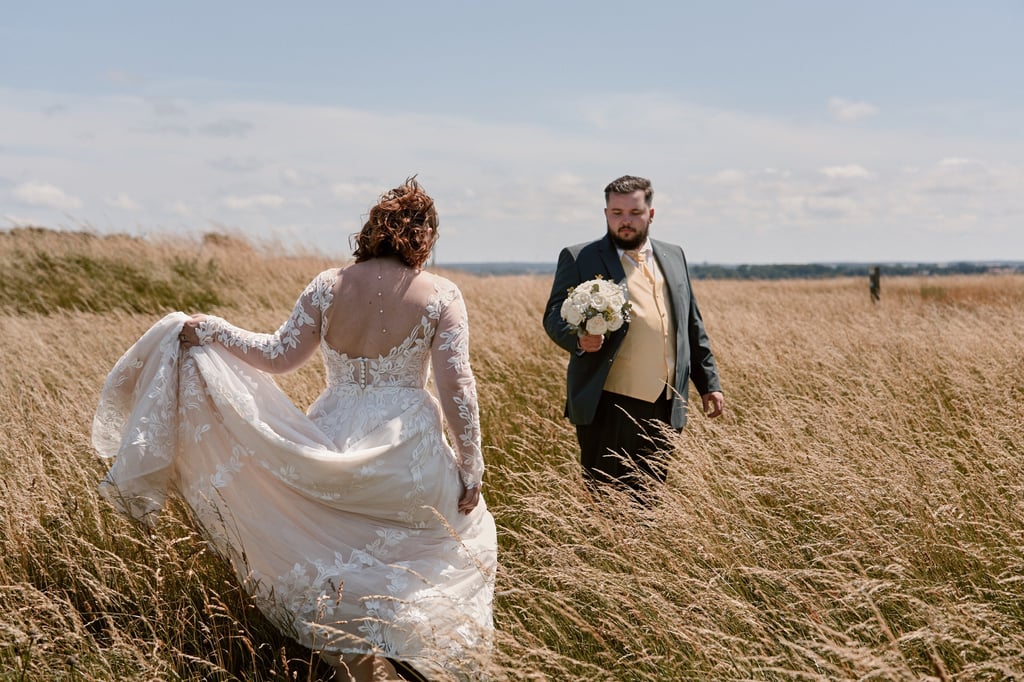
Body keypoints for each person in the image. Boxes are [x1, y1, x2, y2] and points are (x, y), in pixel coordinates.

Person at [94, 178, 497, 682]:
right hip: (407, 447)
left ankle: (364, 667)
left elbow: (277, 356)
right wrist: (471, 461)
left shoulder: (328, 285)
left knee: (336, 556)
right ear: (425, 238)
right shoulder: (442, 293)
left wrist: (212, 329)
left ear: (371, 231)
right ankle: (415, 662)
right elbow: (455, 382)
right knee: (445, 546)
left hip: (333, 431)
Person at [543, 175, 724, 496]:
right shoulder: (579, 256)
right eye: (616, 213)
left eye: (634, 213)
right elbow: (553, 318)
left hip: (666, 405)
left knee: (651, 498)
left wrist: (709, 384)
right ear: (606, 214)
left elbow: (691, 324)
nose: (625, 221)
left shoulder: (674, 255)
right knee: (606, 502)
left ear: (650, 214)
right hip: (607, 404)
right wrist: (579, 340)